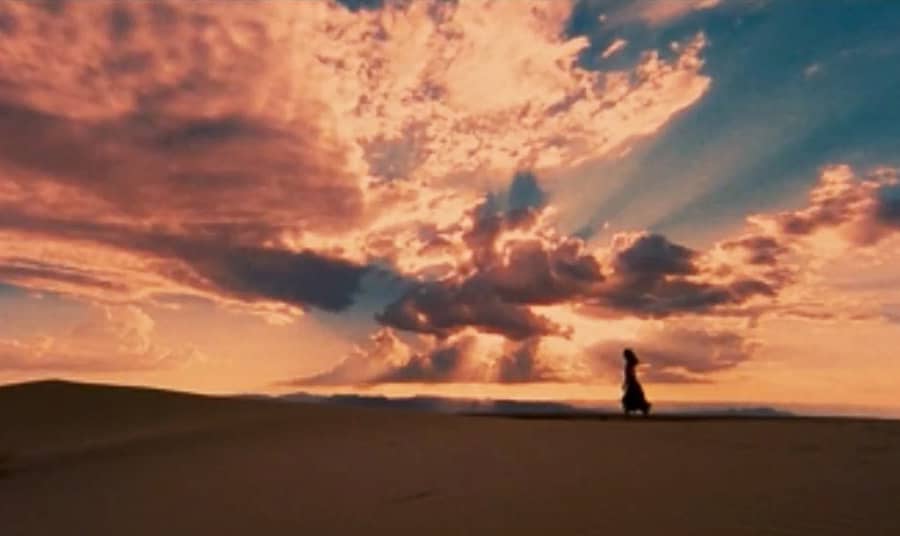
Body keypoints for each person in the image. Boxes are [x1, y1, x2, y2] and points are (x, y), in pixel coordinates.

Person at [622, 348, 651, 416]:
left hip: (632, 382)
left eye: (625, 355)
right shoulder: (630, 364)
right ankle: (642, 409)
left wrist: (626, 383)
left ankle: (629, 412)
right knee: (633, 397)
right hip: (632, 382)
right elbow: (629, 374)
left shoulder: (629, 364)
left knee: (630, 398)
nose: (623, 356)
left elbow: (629, 374)